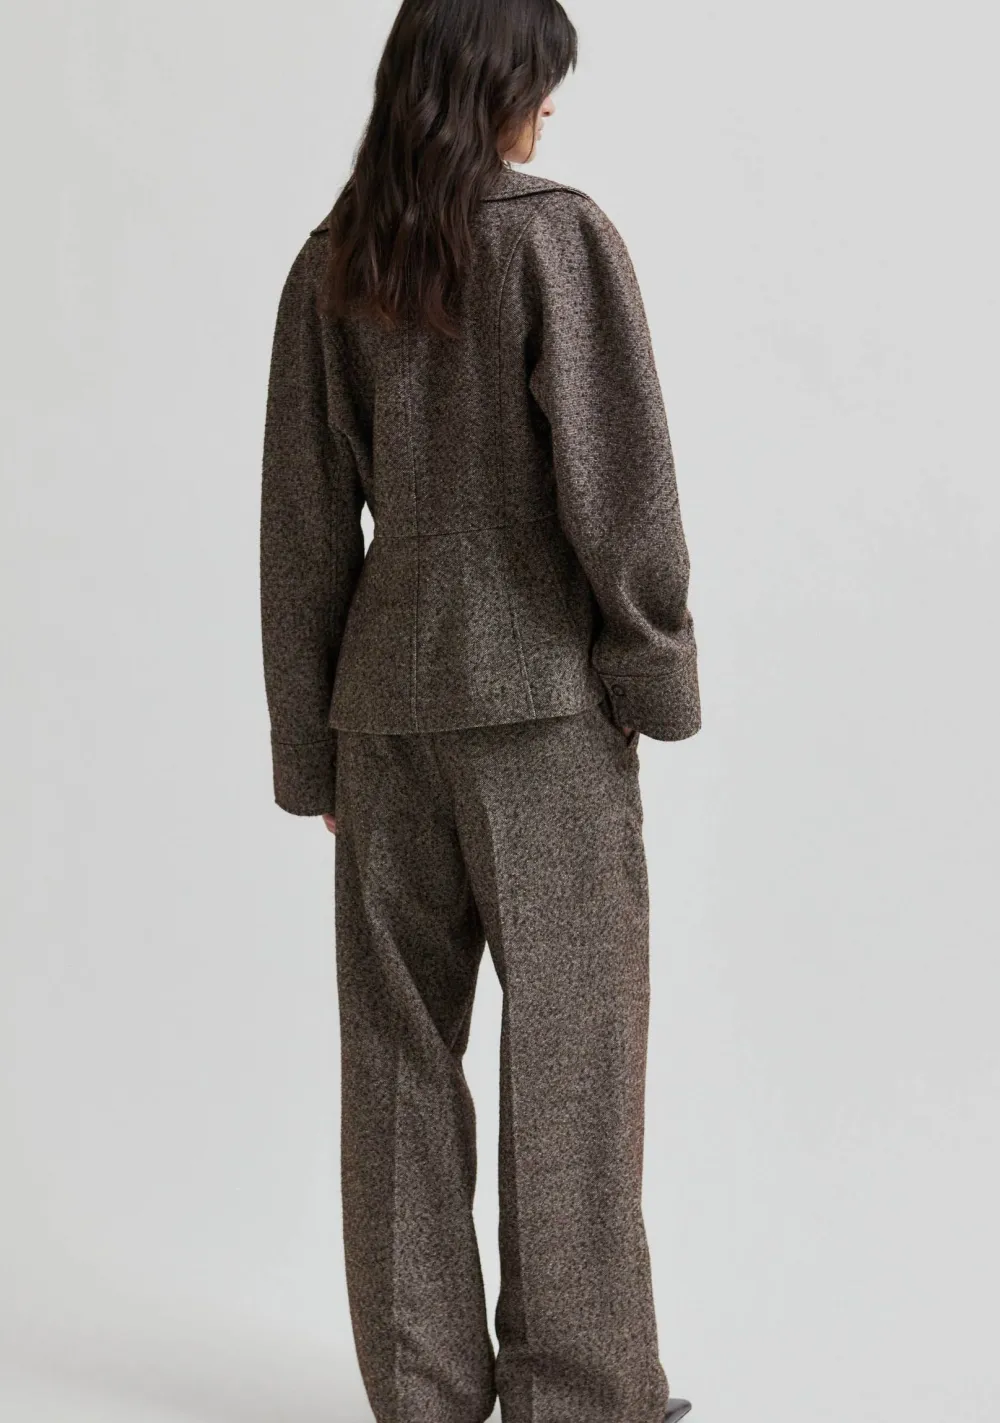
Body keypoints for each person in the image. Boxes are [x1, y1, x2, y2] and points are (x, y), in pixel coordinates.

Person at [259, 1, 700, 1420]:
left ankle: (423, 1391)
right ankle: (579, 1395)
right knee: (573, 1055)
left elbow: (301, 533)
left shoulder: (333, 262)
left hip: (382, 713)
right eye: (541, 84)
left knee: (394, 1060)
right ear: (494, 84)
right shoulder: (554, 237)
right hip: (542, 710)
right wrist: (652, 664)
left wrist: (311, 751)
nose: (551, 111)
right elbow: (620, 481)